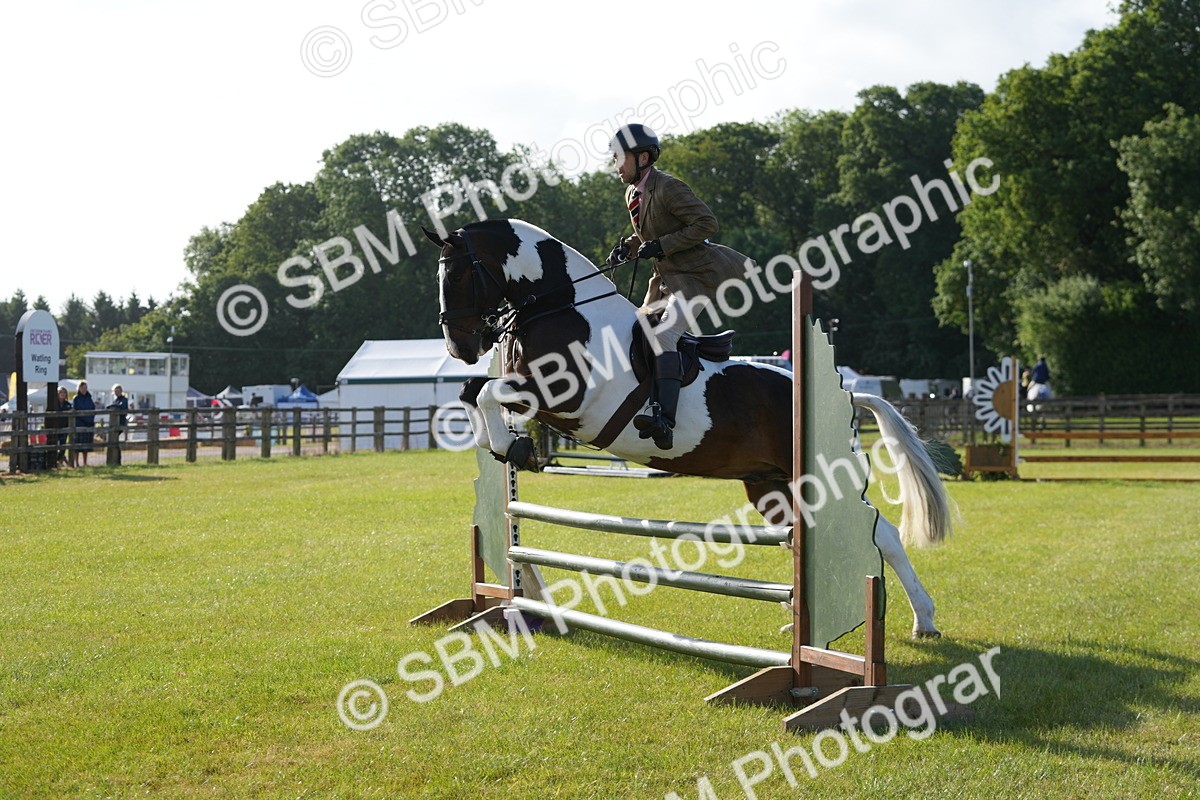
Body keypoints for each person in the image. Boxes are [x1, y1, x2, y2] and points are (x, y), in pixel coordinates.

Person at [606, 123, 754, 449]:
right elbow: (650, 233)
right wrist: (629, 248)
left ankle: (664, 418)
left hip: (694, 276)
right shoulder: (633, 193)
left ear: (643, 158)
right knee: (634, 331)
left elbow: (706, 224)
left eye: (619, 157)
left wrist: (661, 246)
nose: (615, 165)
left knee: (664, 336)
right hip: (663, 281)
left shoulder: (669, 187)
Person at [48, 386, 73, 467]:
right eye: (61, 392)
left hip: (64, 427)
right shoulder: (54, 404)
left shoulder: (68, 405)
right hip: (55, 427)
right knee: (54, 444)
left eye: (64, 392)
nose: (62, 394)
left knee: (63, 445)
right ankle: (54, 461)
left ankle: (60, 459)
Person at [73, 381, 96, 467]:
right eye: (82, 388)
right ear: (79, 388)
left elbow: (92, 409)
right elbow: (77, 410)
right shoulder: (76, 399)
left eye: (85, 388)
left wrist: (90, 419)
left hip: (89, 423)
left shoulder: (89, 398)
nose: (84, 389)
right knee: (77, 446)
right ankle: (77, 463)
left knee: (86, 445)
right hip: (79, 423)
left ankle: (85, 462)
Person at [106, 383, 130, 465]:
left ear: (121, 391)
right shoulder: (116, 400)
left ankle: (117, 459)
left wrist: (112, 406)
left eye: (118, 391)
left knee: (115, 440)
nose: (116, 393)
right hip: (115, 423)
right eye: (115, 391)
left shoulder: (124, 400)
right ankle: (115, 459)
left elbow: (120, 407)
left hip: (121, 422)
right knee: (114, 441)